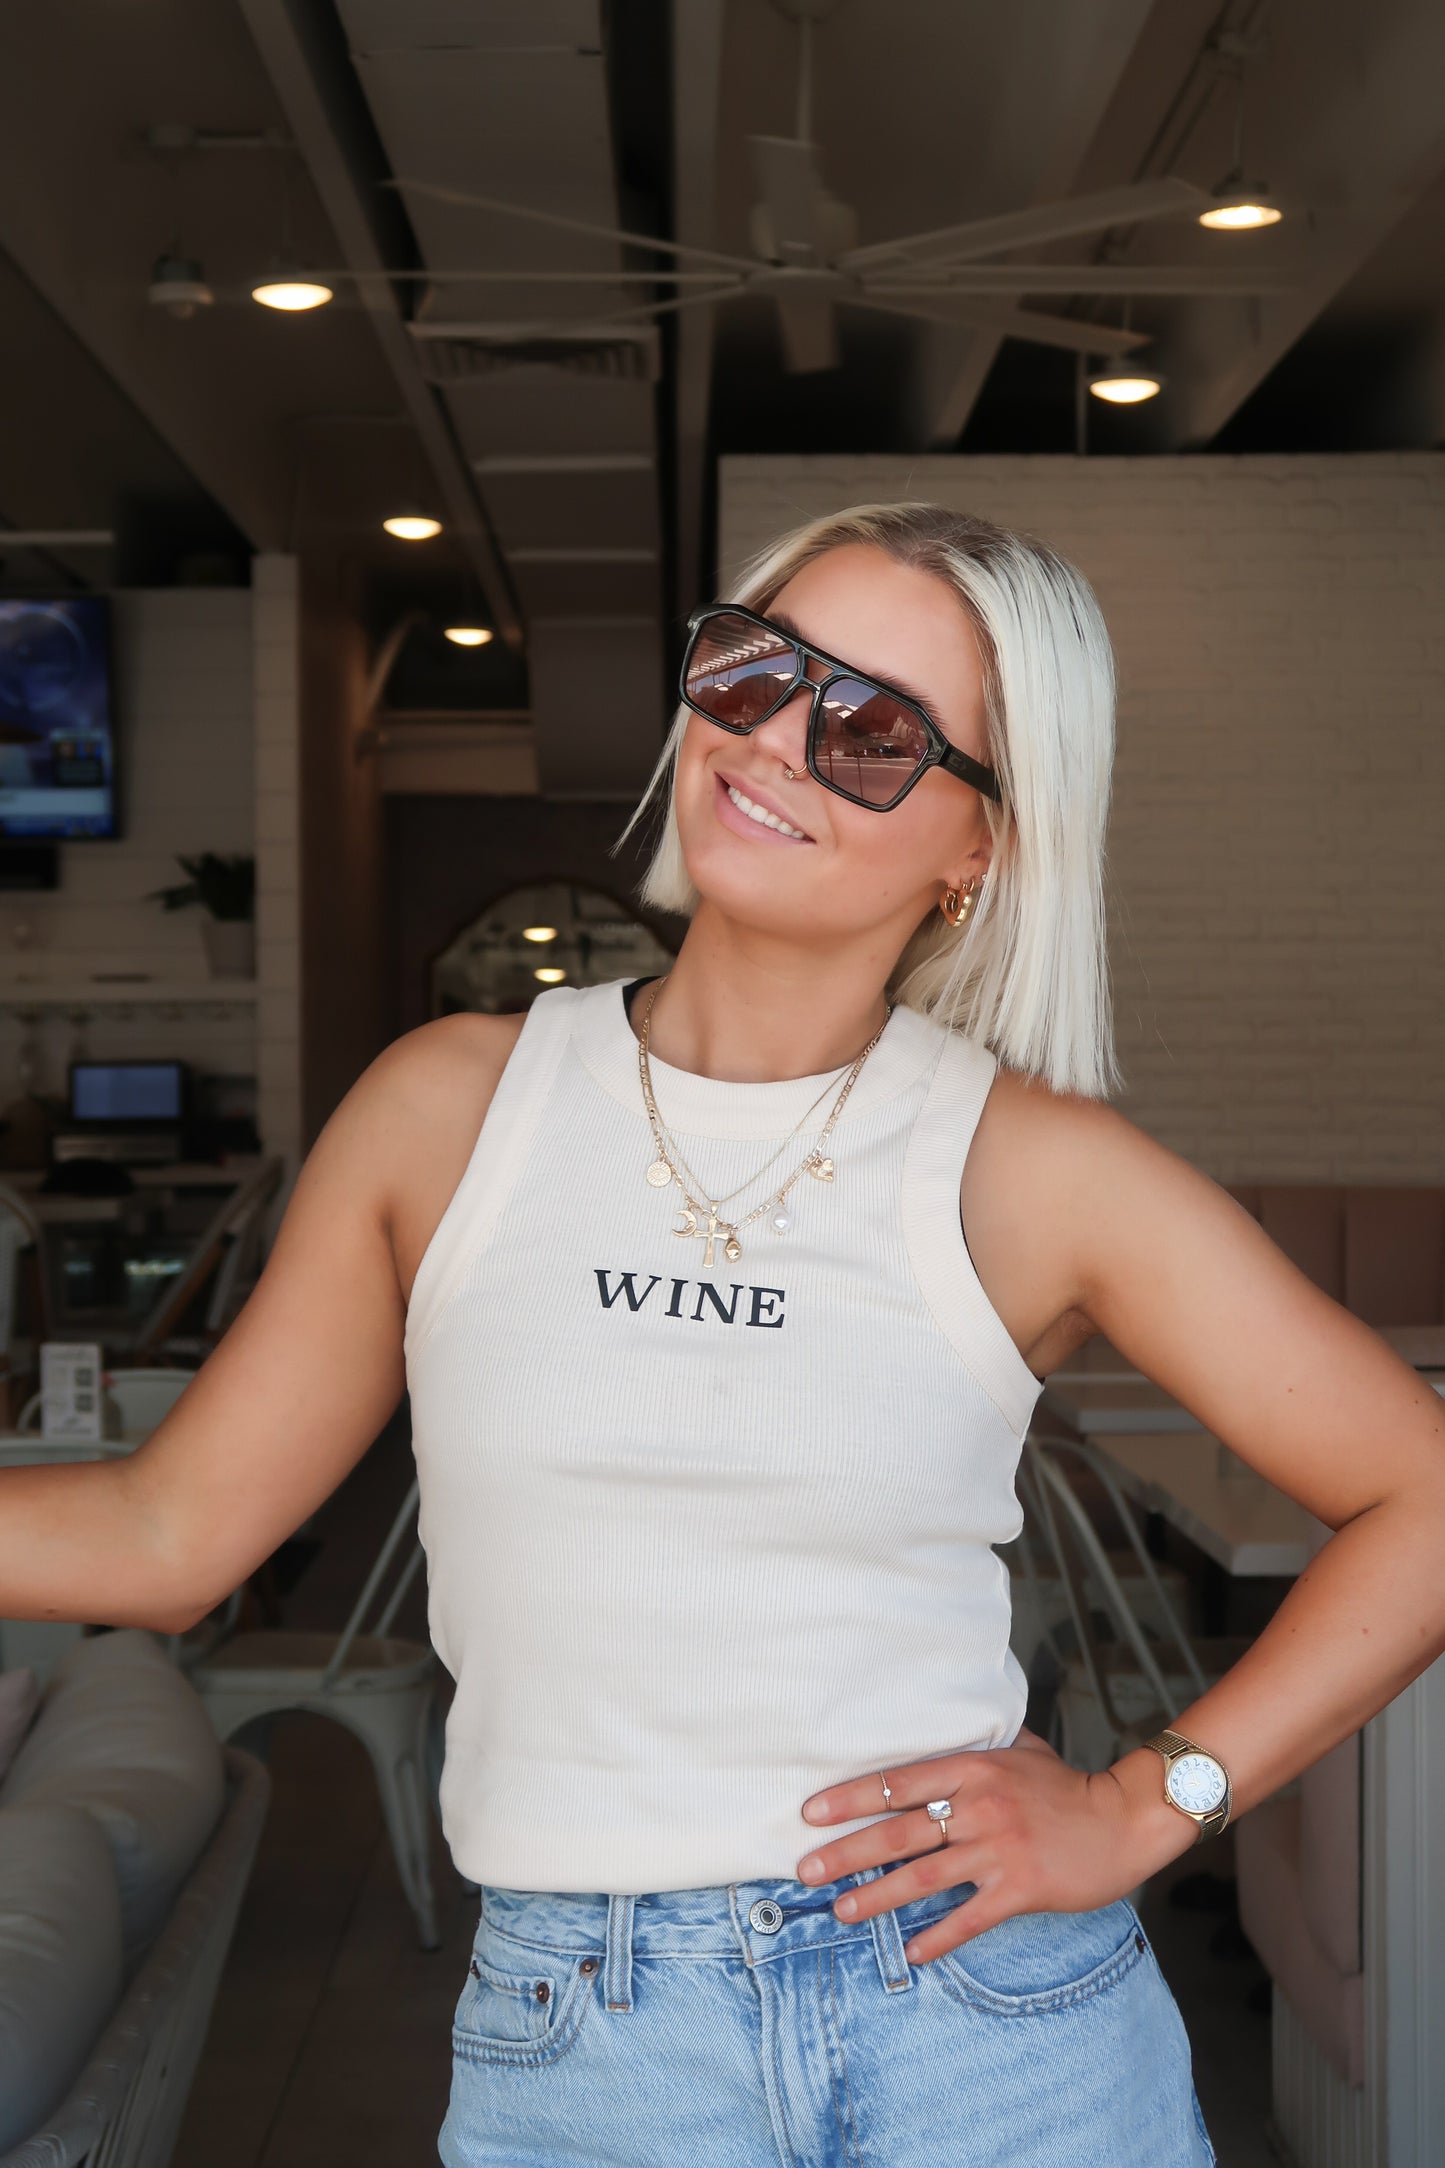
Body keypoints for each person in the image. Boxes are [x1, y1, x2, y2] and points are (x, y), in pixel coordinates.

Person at [4, 501, 1443, 2167]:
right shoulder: (448, 1107)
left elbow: (1418, 1493)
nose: (775, 741)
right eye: (756, 671)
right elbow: (171, 1535)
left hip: (988, 2032)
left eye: (876, 734)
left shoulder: (1035, 1171)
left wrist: (1146, 1803)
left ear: (981, 846)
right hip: (585, 2039)